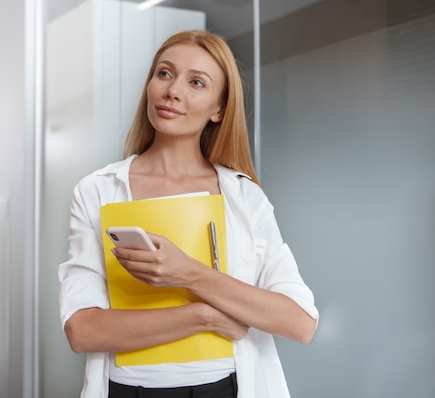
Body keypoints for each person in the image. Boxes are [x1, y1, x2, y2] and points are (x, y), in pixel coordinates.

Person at [58, 30, 318, 398]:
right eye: (165, 73)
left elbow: (299, 321)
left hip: (225, 388)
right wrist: (204, 316)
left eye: (196, 82)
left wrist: (188, 273)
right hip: (127, 390)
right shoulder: (97, 190)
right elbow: (82, 330)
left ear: (219, 109)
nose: (173, 91)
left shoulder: (244, 197)